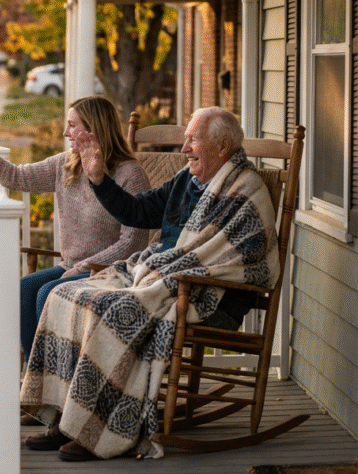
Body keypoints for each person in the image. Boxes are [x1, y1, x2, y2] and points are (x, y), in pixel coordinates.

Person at [20, 107, 280, 462]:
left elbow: (244, 262)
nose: (185, 148)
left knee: (113, 310)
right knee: (65, 294)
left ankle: (95, 429)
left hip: (206, 297)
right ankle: (64, 419)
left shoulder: (246, 191)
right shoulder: (188, 180)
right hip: (162, 277)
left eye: (193, 140)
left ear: (222, 146)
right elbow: (138, 212)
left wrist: (173, 273)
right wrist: (99, 181)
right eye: (185, 139)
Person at [0, 96, 151, 376]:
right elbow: (15, 177)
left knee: (48, 292)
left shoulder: (130, 174)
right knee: (24, 289)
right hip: (72, 267)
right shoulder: (65, 165)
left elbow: (132, 242)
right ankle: (39, 383)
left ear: (94, 129)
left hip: (113, 271)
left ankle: (59, 385)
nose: (65, 132)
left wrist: (82, 267)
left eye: (72, 125)